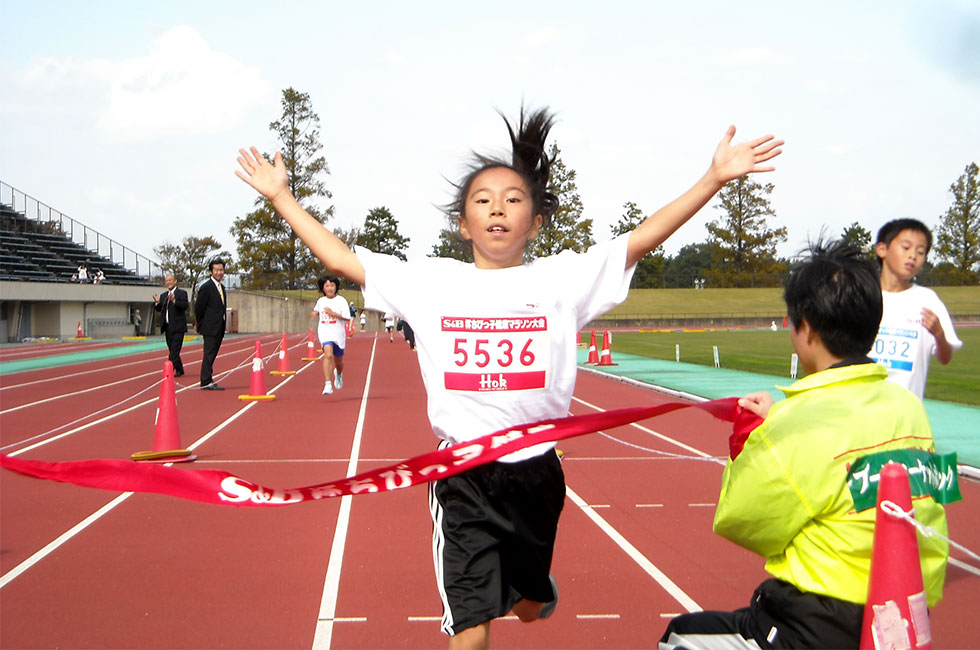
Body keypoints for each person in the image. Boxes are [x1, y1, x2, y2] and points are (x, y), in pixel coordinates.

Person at [236, 106, 782, 648]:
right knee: (471, 626)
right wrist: (282, 197)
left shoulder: (562, 280)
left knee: (527, 606)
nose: (498, 209)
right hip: (463, 476)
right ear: (462, 222)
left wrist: (713, 179)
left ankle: (533, 591)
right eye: (483, 200)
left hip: (537, 476)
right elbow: (341, 261)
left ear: (535, 221)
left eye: (513, 200)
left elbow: (641, 239)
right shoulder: (431, 282)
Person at [659, 240, 948, 650]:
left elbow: (741, 519)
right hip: (900, 612)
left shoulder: (801, 421)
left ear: (806, 329)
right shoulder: (908, 407)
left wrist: (750, 441)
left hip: (817, 622)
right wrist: (778, 419)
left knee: (680, 636)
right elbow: (851, 450)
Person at [870, 218, 963, 398]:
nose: (913, 255)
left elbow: (945, 358)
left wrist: (939, 334)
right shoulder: (863, 295)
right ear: (882, 249)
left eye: (921, 252)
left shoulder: (928, 300)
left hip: (907, 411)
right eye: (905, 248)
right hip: (865, 409)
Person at [312, 274, 351, 395]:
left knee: (338, 361)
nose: (330, 288)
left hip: (338, 333)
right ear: (323, 288)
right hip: (325, 332)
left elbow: (346, 317)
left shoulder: (341, 301)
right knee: (328, 355)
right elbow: (317, 310)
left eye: (332, 285)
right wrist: (315, 313)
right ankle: (327, 384)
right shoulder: (321, 301)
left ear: (336, 287)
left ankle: (338, 374)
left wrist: (333, 313)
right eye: (327, 286)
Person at [195, 258, 227, 390]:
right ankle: (206, 381)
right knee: (209, 353)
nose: (219, 272)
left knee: (212, 354)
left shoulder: (221, 287)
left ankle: (207, 378)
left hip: (219, 326)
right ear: (211, 272)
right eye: (217, 270)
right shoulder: (206, 287)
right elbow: (199, 308)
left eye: (221, 270)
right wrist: (201, 325)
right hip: (209, 327)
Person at [153, 274, 189, 377]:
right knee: (172, 349)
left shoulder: (182, 293)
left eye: (170, 280)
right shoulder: (164, 295)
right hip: (167, 327)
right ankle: (180, 369)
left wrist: (174, 301)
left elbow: (184, 306)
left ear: (175, 281)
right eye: (166, 281)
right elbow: (160, 308)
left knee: (175, 350)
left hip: (178, 327)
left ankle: (169, 369)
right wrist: (157, 303)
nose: (168, 282)